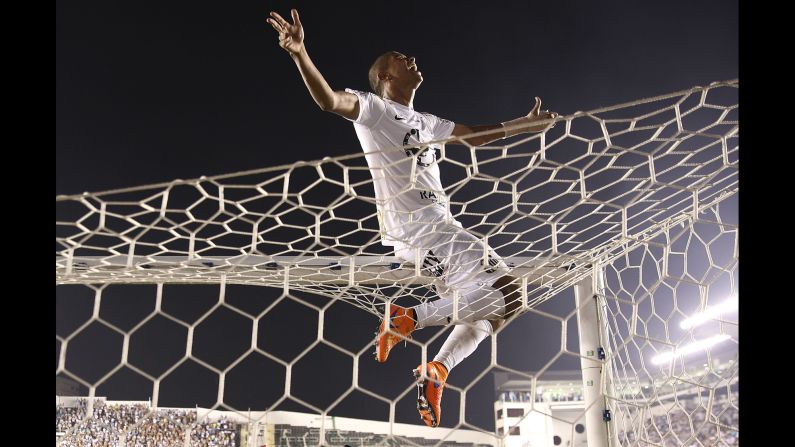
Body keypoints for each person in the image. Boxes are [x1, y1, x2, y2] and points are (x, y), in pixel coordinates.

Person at [267, 9, 558, 428]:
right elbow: (330, 100)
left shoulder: (425, 121)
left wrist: (523, 126)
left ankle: (436, 370)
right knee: (512, 292)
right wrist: (300, 54)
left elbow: (473, 134)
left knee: (493, 310)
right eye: (402, 58)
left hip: (430, 234)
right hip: (425, 228)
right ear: (385, 74)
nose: (412, 59)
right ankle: (409, 319)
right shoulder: (375, 110)